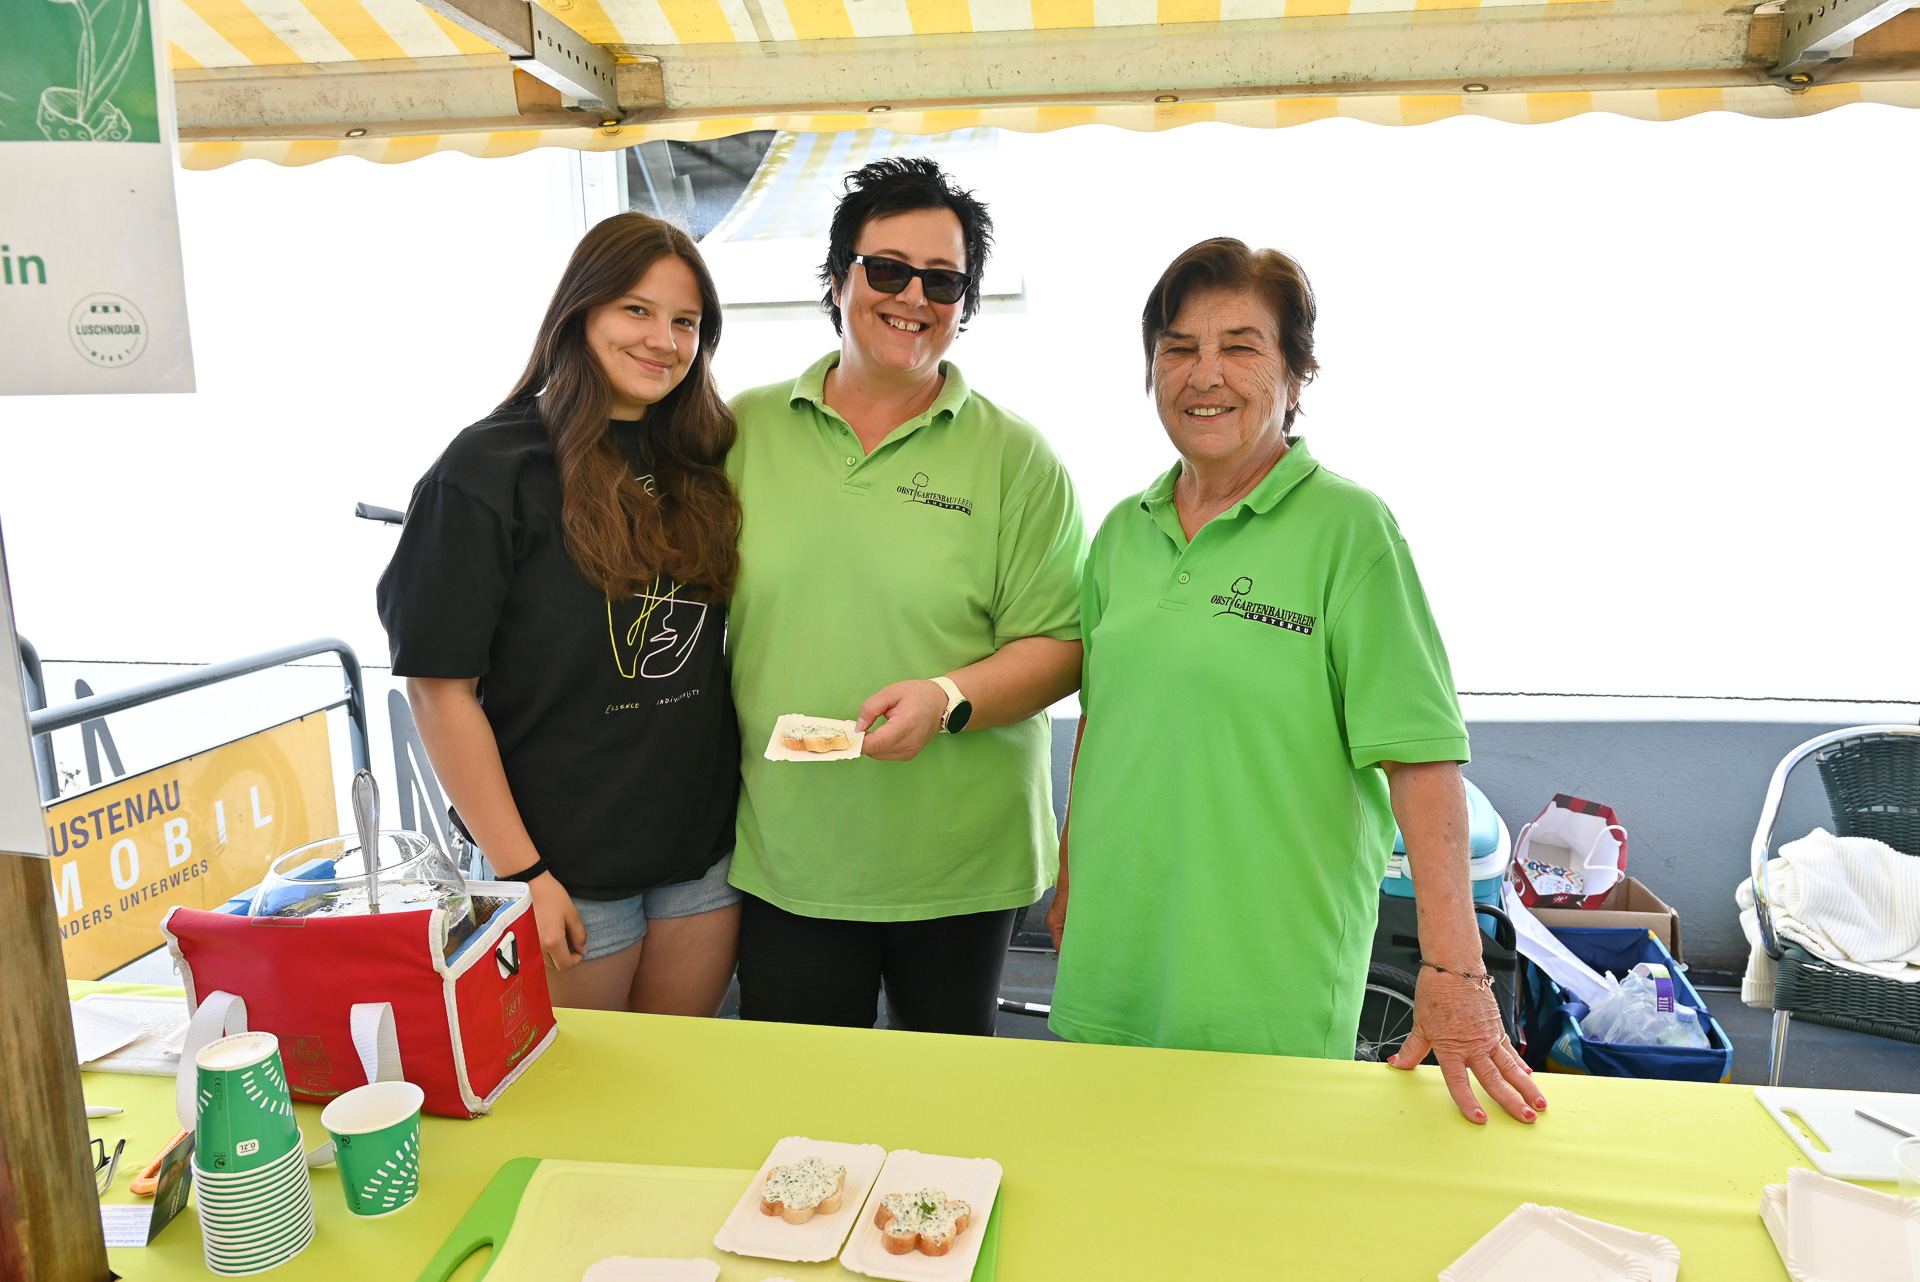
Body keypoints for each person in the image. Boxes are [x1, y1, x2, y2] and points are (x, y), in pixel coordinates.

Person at [1045, 237, 1548, 1125]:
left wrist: (1455, 971)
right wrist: (1072, 876)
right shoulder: (1122, 531)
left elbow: (1421, 759)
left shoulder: (1351, 531)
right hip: (1111, 955)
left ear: (1296, 374)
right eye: (1178, 348)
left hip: (1265, 978)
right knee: (1101, 1166)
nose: (1204, 374)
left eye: (1240, 347)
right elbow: (1103, 720)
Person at [724, 157, 1086, 1036]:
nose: (913, 296)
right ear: (837, 278)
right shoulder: (740, 430)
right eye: (887, 270)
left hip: (959, 862)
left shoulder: (1017, 458)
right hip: (791, 850)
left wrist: (947, 697)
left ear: (964, 304)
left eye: (943, 280)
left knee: (944, 1103)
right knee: (802, 1101)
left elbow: (1061, 647)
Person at [377, 213, 743, 1015]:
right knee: (581, 1087)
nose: (663, 341)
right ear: (581, 309)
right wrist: (523, 874)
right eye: (636, 310)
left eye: (686, 322)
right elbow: (438, 690)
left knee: (679, 1080)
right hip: (561, 870)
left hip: (703, 860)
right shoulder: (488, 467)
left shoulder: (703, 457)